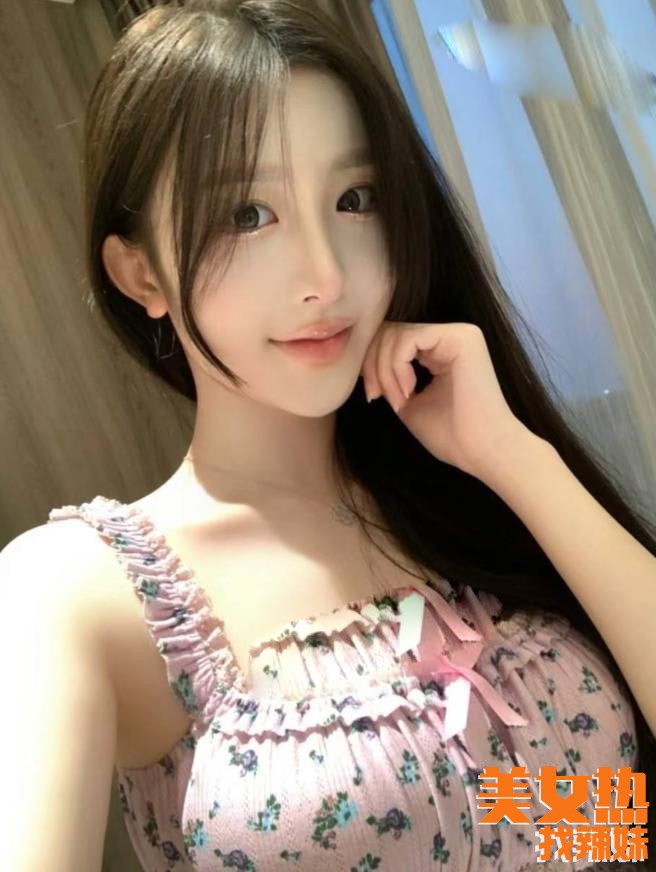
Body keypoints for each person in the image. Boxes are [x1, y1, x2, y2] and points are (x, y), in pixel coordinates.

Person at [2, 1, 655, 870]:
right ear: (141, 272)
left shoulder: (467, 497)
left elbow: (586, 827)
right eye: (246, 214)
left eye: (354, 200)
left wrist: (512, 457)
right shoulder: (83, 591)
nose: (325, 274)